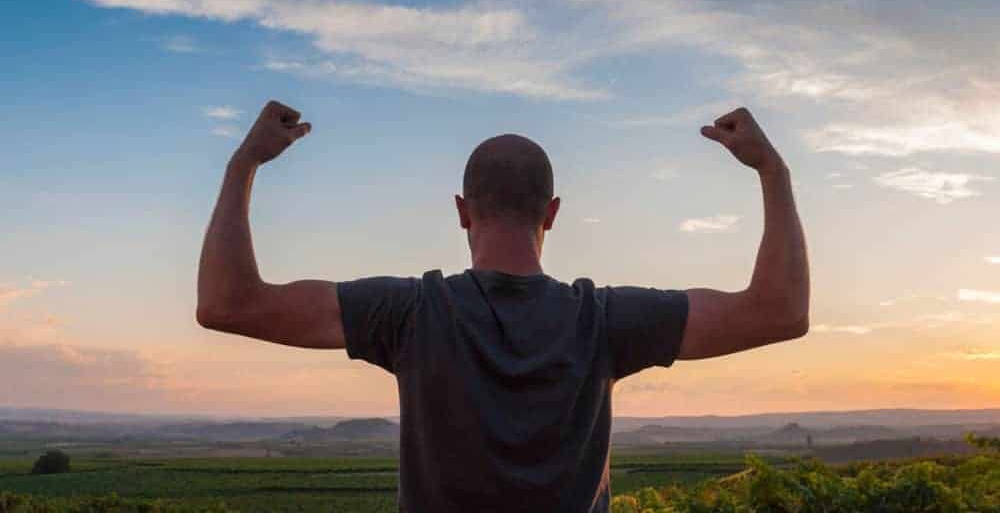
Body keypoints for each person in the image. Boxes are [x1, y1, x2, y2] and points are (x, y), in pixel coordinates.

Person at [197, 100, 810, 512]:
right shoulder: (605, 320)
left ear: (462, 211)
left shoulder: (409, 312)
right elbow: (778, 312)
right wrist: (773, 171)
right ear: (552, 214)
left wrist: (243, 163)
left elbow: (228, 304)